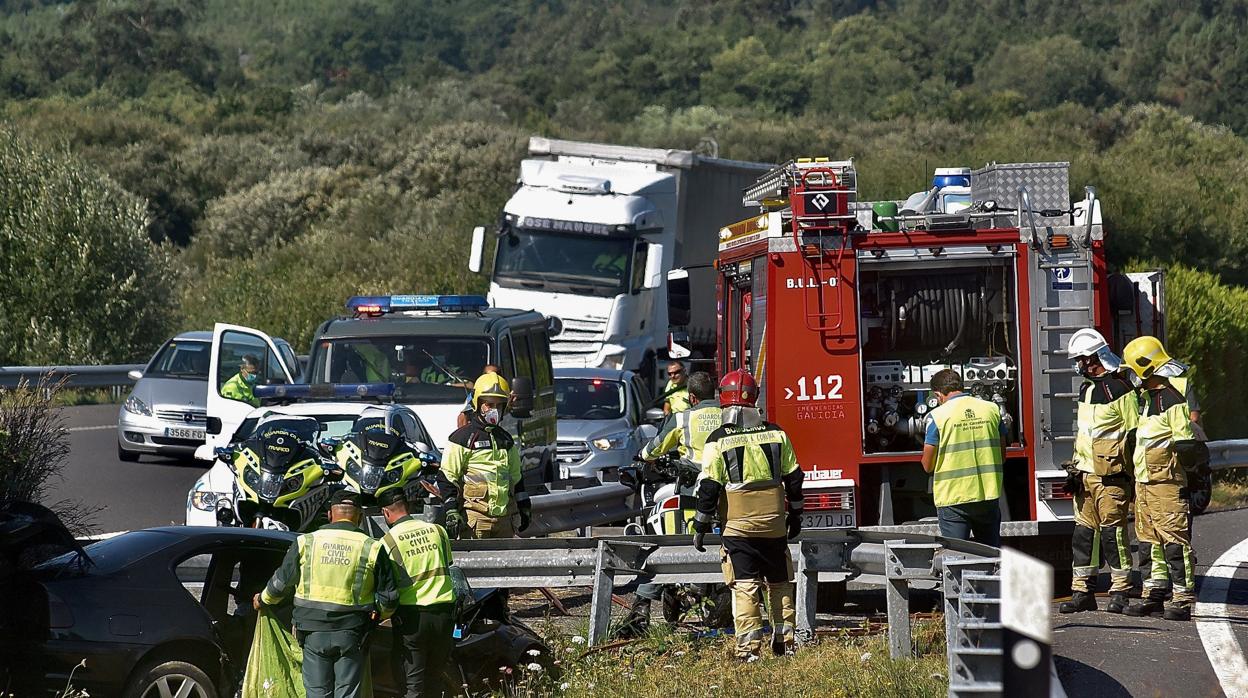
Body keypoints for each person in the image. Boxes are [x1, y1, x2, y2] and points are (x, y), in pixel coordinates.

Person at [691, 370, 804, 662]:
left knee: (745, 586)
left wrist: (700, 526)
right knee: (779, 583)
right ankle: (784, 643)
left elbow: (709, 486)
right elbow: (794, 478)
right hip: (774, 524)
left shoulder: (718, 440)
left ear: (723, 403)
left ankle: (748, 650)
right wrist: (796, 516)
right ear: (754, 400)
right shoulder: (777, 433)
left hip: (738, 527)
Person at [256, 489, 398, 698]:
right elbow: (389, 599)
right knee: (347, 693)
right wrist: (378, 616)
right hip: (352, 632)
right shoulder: (372, 547)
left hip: (312, 631)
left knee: (317, 692)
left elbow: (280, 584)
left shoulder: (306, 542)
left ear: (330, 515)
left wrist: (263, 599)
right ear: (359, 517)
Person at [621, 371, 722, 635]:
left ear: (691, 397)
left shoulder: (684, 417)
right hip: (727, 493)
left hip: (693, 490)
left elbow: (655, 447)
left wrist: (642, 456)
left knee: (667, 546)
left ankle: (641, 608)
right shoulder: (730, 415)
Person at [1121, 336, 1203, 621]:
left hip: (1166, 484)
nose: (1131, 376)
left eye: (1133, 370)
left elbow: (1185, 444)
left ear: (1146, 368)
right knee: (1149, 541)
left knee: (1174, 541)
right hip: (1145, 484)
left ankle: (1181, 598)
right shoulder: (1145, 401)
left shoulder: (1172, 400)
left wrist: (1190, 479)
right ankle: (1154, 593)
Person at [1059, 329, 1139, 614]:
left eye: (1080, 359)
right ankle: (1082, 591)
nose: (1078, 364)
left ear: (1093, 359)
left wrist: (1133, 476)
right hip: (1085, 476)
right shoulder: (1087, 389)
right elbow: (1085, 435)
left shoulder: (1120, 389)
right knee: (1083, 535)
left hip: (1111, 477)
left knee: (1112, 535)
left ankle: (1120, 591)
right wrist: (1075, 470)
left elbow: (1133, 435)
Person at [378, 489, 456, 698]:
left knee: (412, 685)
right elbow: (448, 565)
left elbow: (386, 585)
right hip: (445, 615)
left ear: (386, 513)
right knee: (435, 679)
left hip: (412, 619)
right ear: (408, 507)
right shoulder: (438, 531)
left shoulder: (387, 542)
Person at [921, 369, 1008, 547]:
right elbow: (1002, 455)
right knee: (991, 555)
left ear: (938, 394)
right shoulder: (992, 409)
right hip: (987, 495)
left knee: (957, 557)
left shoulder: (937, 416)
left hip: (954, 499)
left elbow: (928, 465)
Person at [441, 373, 529, 538]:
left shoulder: (506, 440)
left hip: (504, 520)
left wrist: (524, 507)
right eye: (489, 404)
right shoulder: (461, 438)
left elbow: (517, 478)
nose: (493, 410)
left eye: (499, 405)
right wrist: (451, 510)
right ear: (477, 403)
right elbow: (447, 476)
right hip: (474, 519)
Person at [457, 364, 501, 429]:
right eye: (487, 376)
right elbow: (464, 415)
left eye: (495, 375)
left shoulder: (508, 394)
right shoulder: (475, 394)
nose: (492, 378)